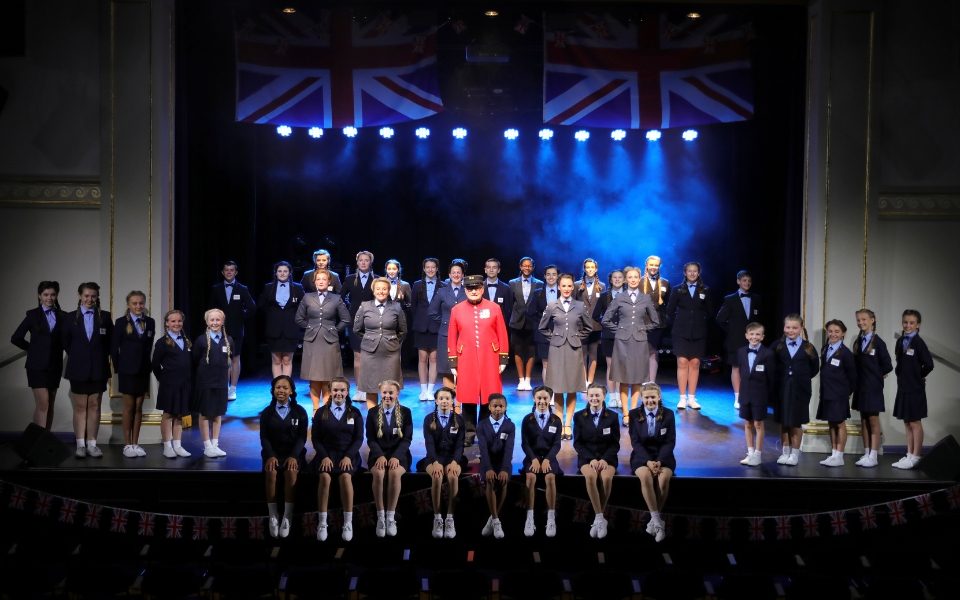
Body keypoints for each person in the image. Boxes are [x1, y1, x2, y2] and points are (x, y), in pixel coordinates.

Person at [447, 274, 510, 435]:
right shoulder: (456, 310)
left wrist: (503, 358)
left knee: (488, 394)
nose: (473, 291)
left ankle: (484, 430)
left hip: (489, 356)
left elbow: (502, 333)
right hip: (465, 357)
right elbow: (452, 336)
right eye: (470, 288)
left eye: (477, 288)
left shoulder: (494, 308)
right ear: (465, 290)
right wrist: (453, 361)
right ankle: (469, 431)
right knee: (468, 395)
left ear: (482, 289)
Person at [601, 266, 660, 425]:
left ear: (639, 279)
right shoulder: (619, 298)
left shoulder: (646, 298)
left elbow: (655, 321)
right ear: (626, 279)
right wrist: (620, 329)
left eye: (636, 277)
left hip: (640, 342)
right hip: (622, 342)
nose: (633, 279)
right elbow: (605, 320)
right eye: (630, 277)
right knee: (624, 378)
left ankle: (633, 411)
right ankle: (625, 414)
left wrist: (642, 329)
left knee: (637, 378)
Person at [62, 282, 113, 458]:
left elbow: (109, 344)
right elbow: (66, 343)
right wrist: (80, 356)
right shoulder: (69, 318)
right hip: (78, 368)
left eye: (93, 296)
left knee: (95, 405)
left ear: (97, 297)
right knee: (80, 406)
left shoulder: (105, 317)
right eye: (86, 295)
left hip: (98, 368)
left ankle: (92, 444)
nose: (89, 299)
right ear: (80, 296)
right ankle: (80, 445)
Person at [539, 273, 591, 440]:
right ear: (559, 287)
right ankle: (560, 424)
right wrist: (554, 337)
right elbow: (542, 327)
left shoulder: (580, 305)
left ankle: (568, 424)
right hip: (557, 350)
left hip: (574, 350)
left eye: (570, 286)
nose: (567, 289)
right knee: (558, 388)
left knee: (572, 388)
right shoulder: (552, 305)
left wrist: (576, 337)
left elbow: (588, 327)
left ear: (573, 287)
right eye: (564, 286)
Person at [313, 377, 364, 542]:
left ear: (347, 392)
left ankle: (348, 522)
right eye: (336, 390)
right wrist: (325, 457)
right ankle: (322, 522)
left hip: (347, 455)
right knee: (325, 477)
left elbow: (358, 439)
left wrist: (349, 456)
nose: (339, 393)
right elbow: (316, 439)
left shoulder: (355, 413)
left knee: (345, 477)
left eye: (342, 390)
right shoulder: (321, 412)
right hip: (326, 454)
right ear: (330, 391)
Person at [11, 281, 65, 430]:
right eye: (46, 294)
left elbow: (67, 340)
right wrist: (32, 349)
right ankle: (38, 442)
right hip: (36, 365)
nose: (49, 298)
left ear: (57, 296)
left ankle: (45, 440)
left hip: (55, 366)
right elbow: (16, 337)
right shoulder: (32, 315)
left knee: (50, 403)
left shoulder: (63, 316)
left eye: (53, 294)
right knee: (43, 404)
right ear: (39, 296)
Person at [259, 375, 308, 539]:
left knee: (291, 472)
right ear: (273, 390)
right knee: (271, 471)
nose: (281, 390)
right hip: (273, 453)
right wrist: (271, 456)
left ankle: (287, 516)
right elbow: (264, 437)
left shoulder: (300, 412)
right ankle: (273, 516)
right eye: (278, 387)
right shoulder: (266, 413)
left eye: (285, 388)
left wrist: (294, 455)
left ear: (291, 391)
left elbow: (302, 438)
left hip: (293, 453)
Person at [295, 269, 350, 411]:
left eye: (323, 279)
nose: (320, 281)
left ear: (329, 281)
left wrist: (334, 329)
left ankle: (325, 409)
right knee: (314, 377)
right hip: (312, 340)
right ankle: (315, 409)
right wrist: (310, 327)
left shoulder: (336, 298)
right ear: (314, 282)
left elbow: (346, 318)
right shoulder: (307, 297)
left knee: (328, 376)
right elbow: (298, 318)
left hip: (330, 341)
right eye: (318, 279)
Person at [629, 382, 675, 543]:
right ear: (641, 398)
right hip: (642, 457)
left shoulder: (669, 414)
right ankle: (658, 522)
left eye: (653, 397)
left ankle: (653, 521)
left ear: (659, 397)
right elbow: (635, 442)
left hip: (664, 457)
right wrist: (648, 461)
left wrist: (660, 461)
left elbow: (670, 442)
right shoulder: (634, 414)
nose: (650, 400)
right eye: (646, 397)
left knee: (663, 480)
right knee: (646, 478)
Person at [111, 291, 155, 458]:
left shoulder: (150, 322)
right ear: (129, 305)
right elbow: (114, 349)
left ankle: (136, 444)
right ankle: (127, 445)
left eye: (141, 303)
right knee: (129, 408)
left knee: (139, 408)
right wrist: (118, 369)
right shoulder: (121, 322)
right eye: (135, 303)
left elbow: (149, 346)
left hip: (143, 371)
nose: (138, 306)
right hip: (127, 371)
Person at [772, 314, 820, 466]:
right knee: (784, 421)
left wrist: (800, 378)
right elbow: (772, 366)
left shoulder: (808, 347)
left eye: (794, 328)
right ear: (784, 327)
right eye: (788, 327)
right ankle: (785, 452)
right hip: (782, 388)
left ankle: (795, 454)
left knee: (796, 421)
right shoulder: (777, 346)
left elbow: (814, 368)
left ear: (801, 328)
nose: (791, 330)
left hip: (800, 389)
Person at [417, 387, 465, 539]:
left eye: (447, 399)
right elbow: (429, 443)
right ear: (436, 401)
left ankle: (450, 518)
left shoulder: (459, 420)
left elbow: (459, 445)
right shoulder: (428, 419)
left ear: (452, 401)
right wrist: (435, 461)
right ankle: (437, 518)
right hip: (434, 458)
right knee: (437, 476)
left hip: (452, 458)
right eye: (441, 399)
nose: (444, 401)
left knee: (452, 477)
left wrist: (455, 462)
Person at [366, 380, 412, 537]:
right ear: (380, 393)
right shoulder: (372, 413)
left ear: (397, 394)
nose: (387, 396)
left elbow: (407, 439)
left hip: (399, 454)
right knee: (378, 474)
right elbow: (370, 438)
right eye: (384, 393)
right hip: (378, 454)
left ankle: (390, 516)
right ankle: (380, 517)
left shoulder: (406, 412)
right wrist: (379, 455)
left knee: (393, 473)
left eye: (390, 393)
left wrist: (396, 456)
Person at [665, 261, 713, 410]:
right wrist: (678, 324)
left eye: (695, 271)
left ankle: (692, 398)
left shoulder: (705, 289)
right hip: (680, 332)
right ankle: (682, 398)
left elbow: (710, 311)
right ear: (685, 273)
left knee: (695, 363)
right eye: (689, 271)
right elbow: (669, 311)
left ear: (698, 273)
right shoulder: (677, 289)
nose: (692, 273)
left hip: (699, 332)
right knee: (682, 363)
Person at [353, 277, 407, 409]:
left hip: (391, 353)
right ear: (373, 290)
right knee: (370, 385)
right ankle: (373, 417)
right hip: (370, 353)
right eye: (378, 289)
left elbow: (403, 330)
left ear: (388, 291)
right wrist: (370, 339)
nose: (381, 291)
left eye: (384, 289)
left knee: (390, 386)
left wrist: (391, 340)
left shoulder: (396, 307)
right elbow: (357, 329)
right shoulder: (365, 306)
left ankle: (389, 417)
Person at [574, 384, 619, 538]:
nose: (594, 398)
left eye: (597, 395)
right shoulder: (579, 416)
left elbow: (615, 443)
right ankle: (600, 518)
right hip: (587, 457)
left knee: (606, 478)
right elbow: (577, 443)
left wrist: (605, 459)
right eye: (591, 395)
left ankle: (597, 517)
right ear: (587, 397)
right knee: (591, 477)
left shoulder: (613, 416)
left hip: (608, 457)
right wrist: (591, 458)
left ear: (604, 396)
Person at [891, 309, 935, 470]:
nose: (908, 325)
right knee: (907, 422)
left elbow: (929, 364)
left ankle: (916, 456)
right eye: (905, 322)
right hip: (903, 387)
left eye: (911, 323)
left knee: (915, 422)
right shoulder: (900, 341)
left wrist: (919, 376)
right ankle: (909, 454)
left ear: (918, 325)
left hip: (915, 388)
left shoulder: (918, 342)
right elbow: (900, 362)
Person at [851, 309, 893, 468]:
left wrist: (877, 376)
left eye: (864, 319)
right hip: (860, 387)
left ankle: (874, 455)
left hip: (873, 387)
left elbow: (888, 365)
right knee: (863, 419)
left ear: (873, 320)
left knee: (873, 420)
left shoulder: (878, 342)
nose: (861, 322)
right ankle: (866, 452)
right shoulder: (858, 341)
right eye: (858, 320)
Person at [209, 260, 256, 401]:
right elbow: (210, 308)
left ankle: (233, 388)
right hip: (219, 330)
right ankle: (224, 386)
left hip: (236, 330)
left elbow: (252, 307)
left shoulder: (242, 289)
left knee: (235, 358)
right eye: (226, 270)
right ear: (223, 272)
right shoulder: (216, 289)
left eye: (232, 270)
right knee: (222, 359)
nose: (229, 272)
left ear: (235, 272)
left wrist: (241, 317)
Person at [716, 270, 762, 410]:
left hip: (753, 341)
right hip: (735, 341)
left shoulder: (757, 298)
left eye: (749, 281)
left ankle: (748, 396)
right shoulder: (730, 299)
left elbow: (759, 320)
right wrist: (732, 331)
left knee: (750, 369)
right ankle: (737, 398)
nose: (746, 283)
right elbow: (720, 319)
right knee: (736, 367)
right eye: (744, 280)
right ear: (738, 281)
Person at [520, 385, 562, 538]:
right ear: (534, 399)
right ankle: (529, 517)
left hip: (549, 458)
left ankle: (551, 517)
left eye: (545, 398)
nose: (542, 401)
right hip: (532, 457)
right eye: (539, 398)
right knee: (530, 477)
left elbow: (557, 444)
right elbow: (525, 443)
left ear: (550, 399)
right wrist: (533, 459)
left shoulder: (556, 420)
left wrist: (548, 460)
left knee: (550, 478)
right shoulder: (527, 419)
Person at [152, 309, 193, 459]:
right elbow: (155, 364)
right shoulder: (162, 343)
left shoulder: (187, 340)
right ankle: (167, 446)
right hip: (169, 384)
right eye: (173, 321)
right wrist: (163, 378)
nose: (177, 323)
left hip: (184, 384)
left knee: (180, 414)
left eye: (179, 321)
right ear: (167, 324)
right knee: (168, 414)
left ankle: (178, 444)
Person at [193, 308, 234, 458]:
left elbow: (230, 361)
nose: (215, 322)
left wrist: (227, 383)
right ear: (207, 322)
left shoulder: (228, 340)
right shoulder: (201, 340)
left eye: (218, 320)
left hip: (221, 383)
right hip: (205, 383)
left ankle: (215, 445)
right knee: (205, 414)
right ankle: (207, 446)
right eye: (212, 320)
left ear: (222, 321)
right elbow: (195, 359)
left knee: (217, 414)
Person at [817, 319, 857, 467]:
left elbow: (853, 376)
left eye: (837, 331)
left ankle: (840, 455)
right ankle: (833, 454)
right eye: (830, 331)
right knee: (831, 423)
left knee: (839, 423)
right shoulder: (825, 349)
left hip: (839, 394)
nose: (833, 334)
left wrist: (847, 392)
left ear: (843, 334)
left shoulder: (846, 353)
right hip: (827, 393)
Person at [736, 323, 775, 467]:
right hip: (745, 394)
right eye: (751, 334)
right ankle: (750, 452)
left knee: (758, 424)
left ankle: (758, 454)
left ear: (763, 337)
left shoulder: (768, 353)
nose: (754, 337)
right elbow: (741, 372)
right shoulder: (741, 352)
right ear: (746, 335)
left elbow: (771, 378)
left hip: (760, 395)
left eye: (758, 334)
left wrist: (766, 395)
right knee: (747, 423)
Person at [477, 393, 515, 539]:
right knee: (490, 481)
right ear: (489, 407)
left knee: (504, 482)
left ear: (505, 408)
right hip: (488, 461)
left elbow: (509, 449)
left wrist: (505, 469)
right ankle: (496, 520)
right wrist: (488, 468)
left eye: (501, 406)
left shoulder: (510, 426)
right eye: (495, 406)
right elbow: (483, 449)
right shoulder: (482, 425)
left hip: (503, 462)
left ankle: (492, 519)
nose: (498, 409)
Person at [259, 260, 304, 378]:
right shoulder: (268, 287)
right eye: (280, 271)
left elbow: (303, 308)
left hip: (291, 329)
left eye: (285, 271)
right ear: (275, 273)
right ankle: (277, 389)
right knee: (276, 360)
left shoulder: (298, 288)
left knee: (287, 360)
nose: (282, 273)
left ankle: (286, 389)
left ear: (290, 273)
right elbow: (261, 305)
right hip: (273, 329)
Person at [342, 250, 377, 401]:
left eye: (366, 260)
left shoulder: (376, 279)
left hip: (372, 321)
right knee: (358, 355)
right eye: (361, 260)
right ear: (357, 262)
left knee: (370, 356)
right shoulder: (350, 279)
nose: (363, 262)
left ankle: (370, 387)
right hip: (354, 321)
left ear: (370, 262)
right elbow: (340, 298)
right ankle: (359, 389)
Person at [429, 258, 468, 390]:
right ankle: (450, 401)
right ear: (449, 275)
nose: (456, 275)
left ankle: (462, 400)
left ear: (463, 275)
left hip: (464, 334)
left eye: (459, 272)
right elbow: (432, 311)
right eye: (453, 272)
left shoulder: (468, 291)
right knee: (447, 367)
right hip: (445, 334)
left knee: (464, 367)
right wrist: (446, 321)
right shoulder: (442, 291)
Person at [508, 257, 543, 392]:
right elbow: (511, 303)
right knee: (517, 351)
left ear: (533, 268)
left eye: (529, 266)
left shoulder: (539, 283)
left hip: (532, 322)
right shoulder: (512, 283)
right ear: (520, 267)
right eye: (524, 266)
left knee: (530, 351)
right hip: (516, 322)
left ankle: (528, 380)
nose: (527, 268)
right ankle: (520, 380)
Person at [411, 258, 444, 400]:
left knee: (434, 358)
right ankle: (423, 390)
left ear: (437, 269)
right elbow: (413, 306)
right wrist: (419, 320)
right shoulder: (417, 285)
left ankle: (431, 390)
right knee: (422, 358)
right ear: (424, 269)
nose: (430, 270)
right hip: (421, 326)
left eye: (433, 267)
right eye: (427, 267)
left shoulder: (443, 286)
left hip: (436, 326)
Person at [594, 269, 625, 406]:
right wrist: (607, 321)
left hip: (625, 335)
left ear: (624, 280)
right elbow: (595, 315)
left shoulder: (629, 295)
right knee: (611, 366)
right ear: (611, 280)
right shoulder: (604, 296)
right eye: (614, 277)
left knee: (622, 366)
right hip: (608, 336)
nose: (617, 280)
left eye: (620, 277)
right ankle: (612, 396)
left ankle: (620, 395)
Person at [575, 258, 606, 389]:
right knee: (582, 353)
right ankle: (582, 381)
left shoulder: (602, 286)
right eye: (587, 267)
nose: (590, 270)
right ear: (584, 269)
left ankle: (590, 381)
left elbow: (604, 305)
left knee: (593, 353)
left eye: (592, 267)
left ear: (596, 269)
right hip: (581, 324)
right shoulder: (577, 285)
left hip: (595, 325)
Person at [640, 256, 671, 382]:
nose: (653, 267)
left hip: (658, 323)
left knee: (653, 351)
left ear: (659, 266)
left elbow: (668, 304)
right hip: (641, 322)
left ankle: (651, 383)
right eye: (651, 264)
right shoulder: (639, 281)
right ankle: (642, 381)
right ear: (646, 265)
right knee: (642, 351)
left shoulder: (665, 283)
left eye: (656, 265)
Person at [527, 265, 559, 382]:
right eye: (548, 274)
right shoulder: (538, 293)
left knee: (558, 364)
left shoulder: (563, 292)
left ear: (558, 276)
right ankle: (548, 392)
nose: (551, 277)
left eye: (554, 274)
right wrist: (541, 325)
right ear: (544, 276)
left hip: (560, 332)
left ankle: (557, 392)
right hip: (543, 334)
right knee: (546, 364)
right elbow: (530, 312)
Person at [482, 258, 513, 324]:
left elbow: (508, 311)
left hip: (500, 324)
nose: (491, 270)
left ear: (498, 270)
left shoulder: (506, 288)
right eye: (488, 267)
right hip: (482, 325)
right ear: (485, 270)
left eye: (494, 267)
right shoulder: (479, 287)